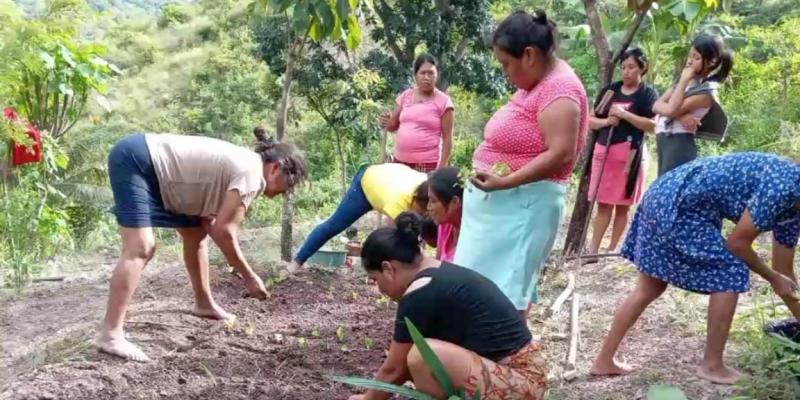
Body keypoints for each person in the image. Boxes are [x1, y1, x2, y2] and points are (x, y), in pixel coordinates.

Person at [97, 128, 308, 362]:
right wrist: (249, 276)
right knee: (141, 248)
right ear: (276, 167)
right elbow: (224, 231)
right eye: (287, 184)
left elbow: (211, 223)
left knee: (195, 234)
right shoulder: (252, 176)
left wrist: (213, 227)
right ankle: (111, 334)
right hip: (138, 161)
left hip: (150, 163)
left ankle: (204, 303)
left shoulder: (246, 165)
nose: (284, 192)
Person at [591, 152, 800, 385]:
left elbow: (785, 274)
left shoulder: (793, 209)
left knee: (649, 288)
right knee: (730, 271)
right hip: (679, 203)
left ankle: (604, 361)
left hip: (667, 194)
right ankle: (712, 366)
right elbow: (738, 243)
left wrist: (787, 295)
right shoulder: (784, 186)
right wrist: (771, 277)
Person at [455, 10, 589, 317]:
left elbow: (562, 153)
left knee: (506, 296)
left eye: (506, 64)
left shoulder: (561, 89)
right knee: (480, 292)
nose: (505, 73)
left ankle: (502, 361)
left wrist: (506, 182)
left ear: (529, 54)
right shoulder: (542, 82)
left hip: (524, 209)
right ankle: (480, 359)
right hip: (504, 210)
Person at [348, 212, 547, 400]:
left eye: (374, 279)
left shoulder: (420, 292)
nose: (377, 287)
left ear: (388, 268)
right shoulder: (436, 273)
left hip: (521, 384)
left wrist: (368, 398)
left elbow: (394, 369)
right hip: (521, 376)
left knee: (422, 356)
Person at [587, 47, 658, 258]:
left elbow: (653, 126)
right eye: (624, 67)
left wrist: (625, 115)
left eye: (631, 67)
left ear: (642, 68)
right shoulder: (610, 91)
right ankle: (592, 250)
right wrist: (606, 121)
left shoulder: (647, 94)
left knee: (622, 205)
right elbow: (591, 120)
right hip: (605, 151)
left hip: (630, 155)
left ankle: (612, 249)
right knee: (603, 203)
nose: (626, 72)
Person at [288, 163, 429, 270]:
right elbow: (392, 238)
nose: (424, 214)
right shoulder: (398, 201)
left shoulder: (431, 188)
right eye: (422, 209)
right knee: (335, 225)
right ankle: (296, 262)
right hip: (366, 184)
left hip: (388, 180)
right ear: (415, 200)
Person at [654, 34, 733, 176]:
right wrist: (682, 116)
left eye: (696, 58)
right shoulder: (680, 84)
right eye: (690, 56)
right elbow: (656, 106)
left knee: (672, 190)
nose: (690, 61)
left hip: (679, 143)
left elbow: (670, 109)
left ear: (711, 62)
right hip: (664, 140)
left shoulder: (706, 92)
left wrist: (683, 81)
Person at [379, 53, 455, 173]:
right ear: (415, 75)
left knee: (422, 192)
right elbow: (393, 125)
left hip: (427, 166)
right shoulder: (405, 96)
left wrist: (442, 169)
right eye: (423, 73)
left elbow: (448, 139)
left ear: (437, 76)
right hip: (399, 163)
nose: (427, 77)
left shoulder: (444, 102)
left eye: (431, 73)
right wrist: (385, 121)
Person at [427, 167, 463, 262]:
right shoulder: (445, 225)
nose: (428, 207)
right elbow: (438, 265)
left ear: (454, 202)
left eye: (433, 201)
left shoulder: (472, 238)